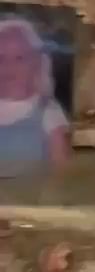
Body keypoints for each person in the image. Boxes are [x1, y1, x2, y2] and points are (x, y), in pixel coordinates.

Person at [0, 17, 69, 177]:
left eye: (19, 58)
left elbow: (61, 169)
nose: (9, 67)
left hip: (31, 191)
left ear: (36, 64)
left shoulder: (48, 111)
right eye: (0, 58)